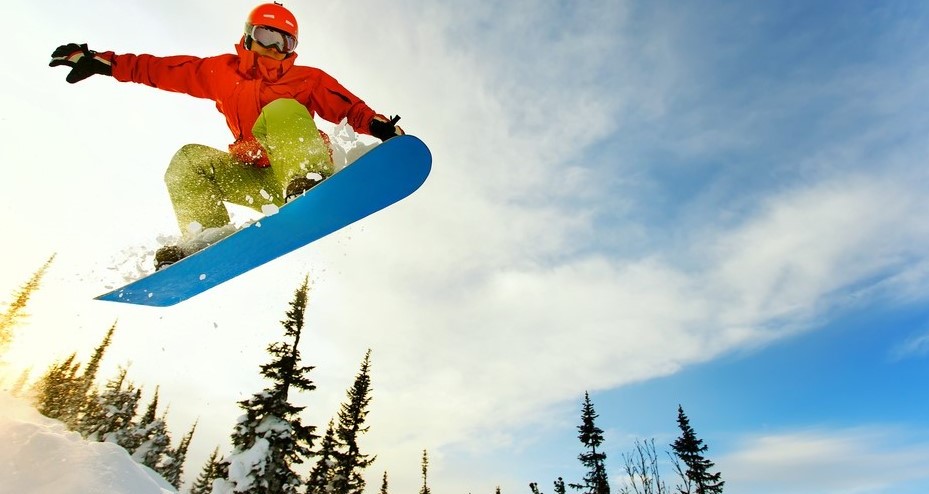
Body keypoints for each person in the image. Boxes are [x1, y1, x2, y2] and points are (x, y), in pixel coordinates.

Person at [49, 2, 404, 270]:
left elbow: (348, 107)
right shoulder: (221, 72)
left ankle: (309, 182)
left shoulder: (307, 78)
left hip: (300, 164)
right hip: (261, 180)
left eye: (286, 42)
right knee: (188, 159)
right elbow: (165, 70)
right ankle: (205, 235)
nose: (276, 48)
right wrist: (103, 62)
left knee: (281, 110)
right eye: (268, 36)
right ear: (250, 35)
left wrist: (378, 125)